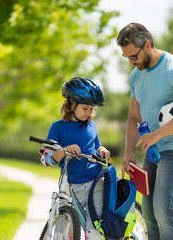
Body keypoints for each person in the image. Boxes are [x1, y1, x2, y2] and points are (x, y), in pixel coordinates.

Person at [116, 23, 173, 240]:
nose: (131, 63)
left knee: (163, 212)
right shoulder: (136, 76)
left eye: (133, 56)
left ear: (147, 45)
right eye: (127, 58)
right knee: (150, 216)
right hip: (152, 151)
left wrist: (156, 134)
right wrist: (128, 153)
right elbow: (134, 118)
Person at [41, 77, 110, 240]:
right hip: (70, 185)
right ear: (71, 105)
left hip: (95, 184)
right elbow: (47, 159)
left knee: (95, 231)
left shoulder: (91, 126)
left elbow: (96, 146)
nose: (89, 113)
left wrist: (102, 149)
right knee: (62, 229)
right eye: (85, 108)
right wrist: (64, 151)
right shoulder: (57, 127)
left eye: (91, 109)